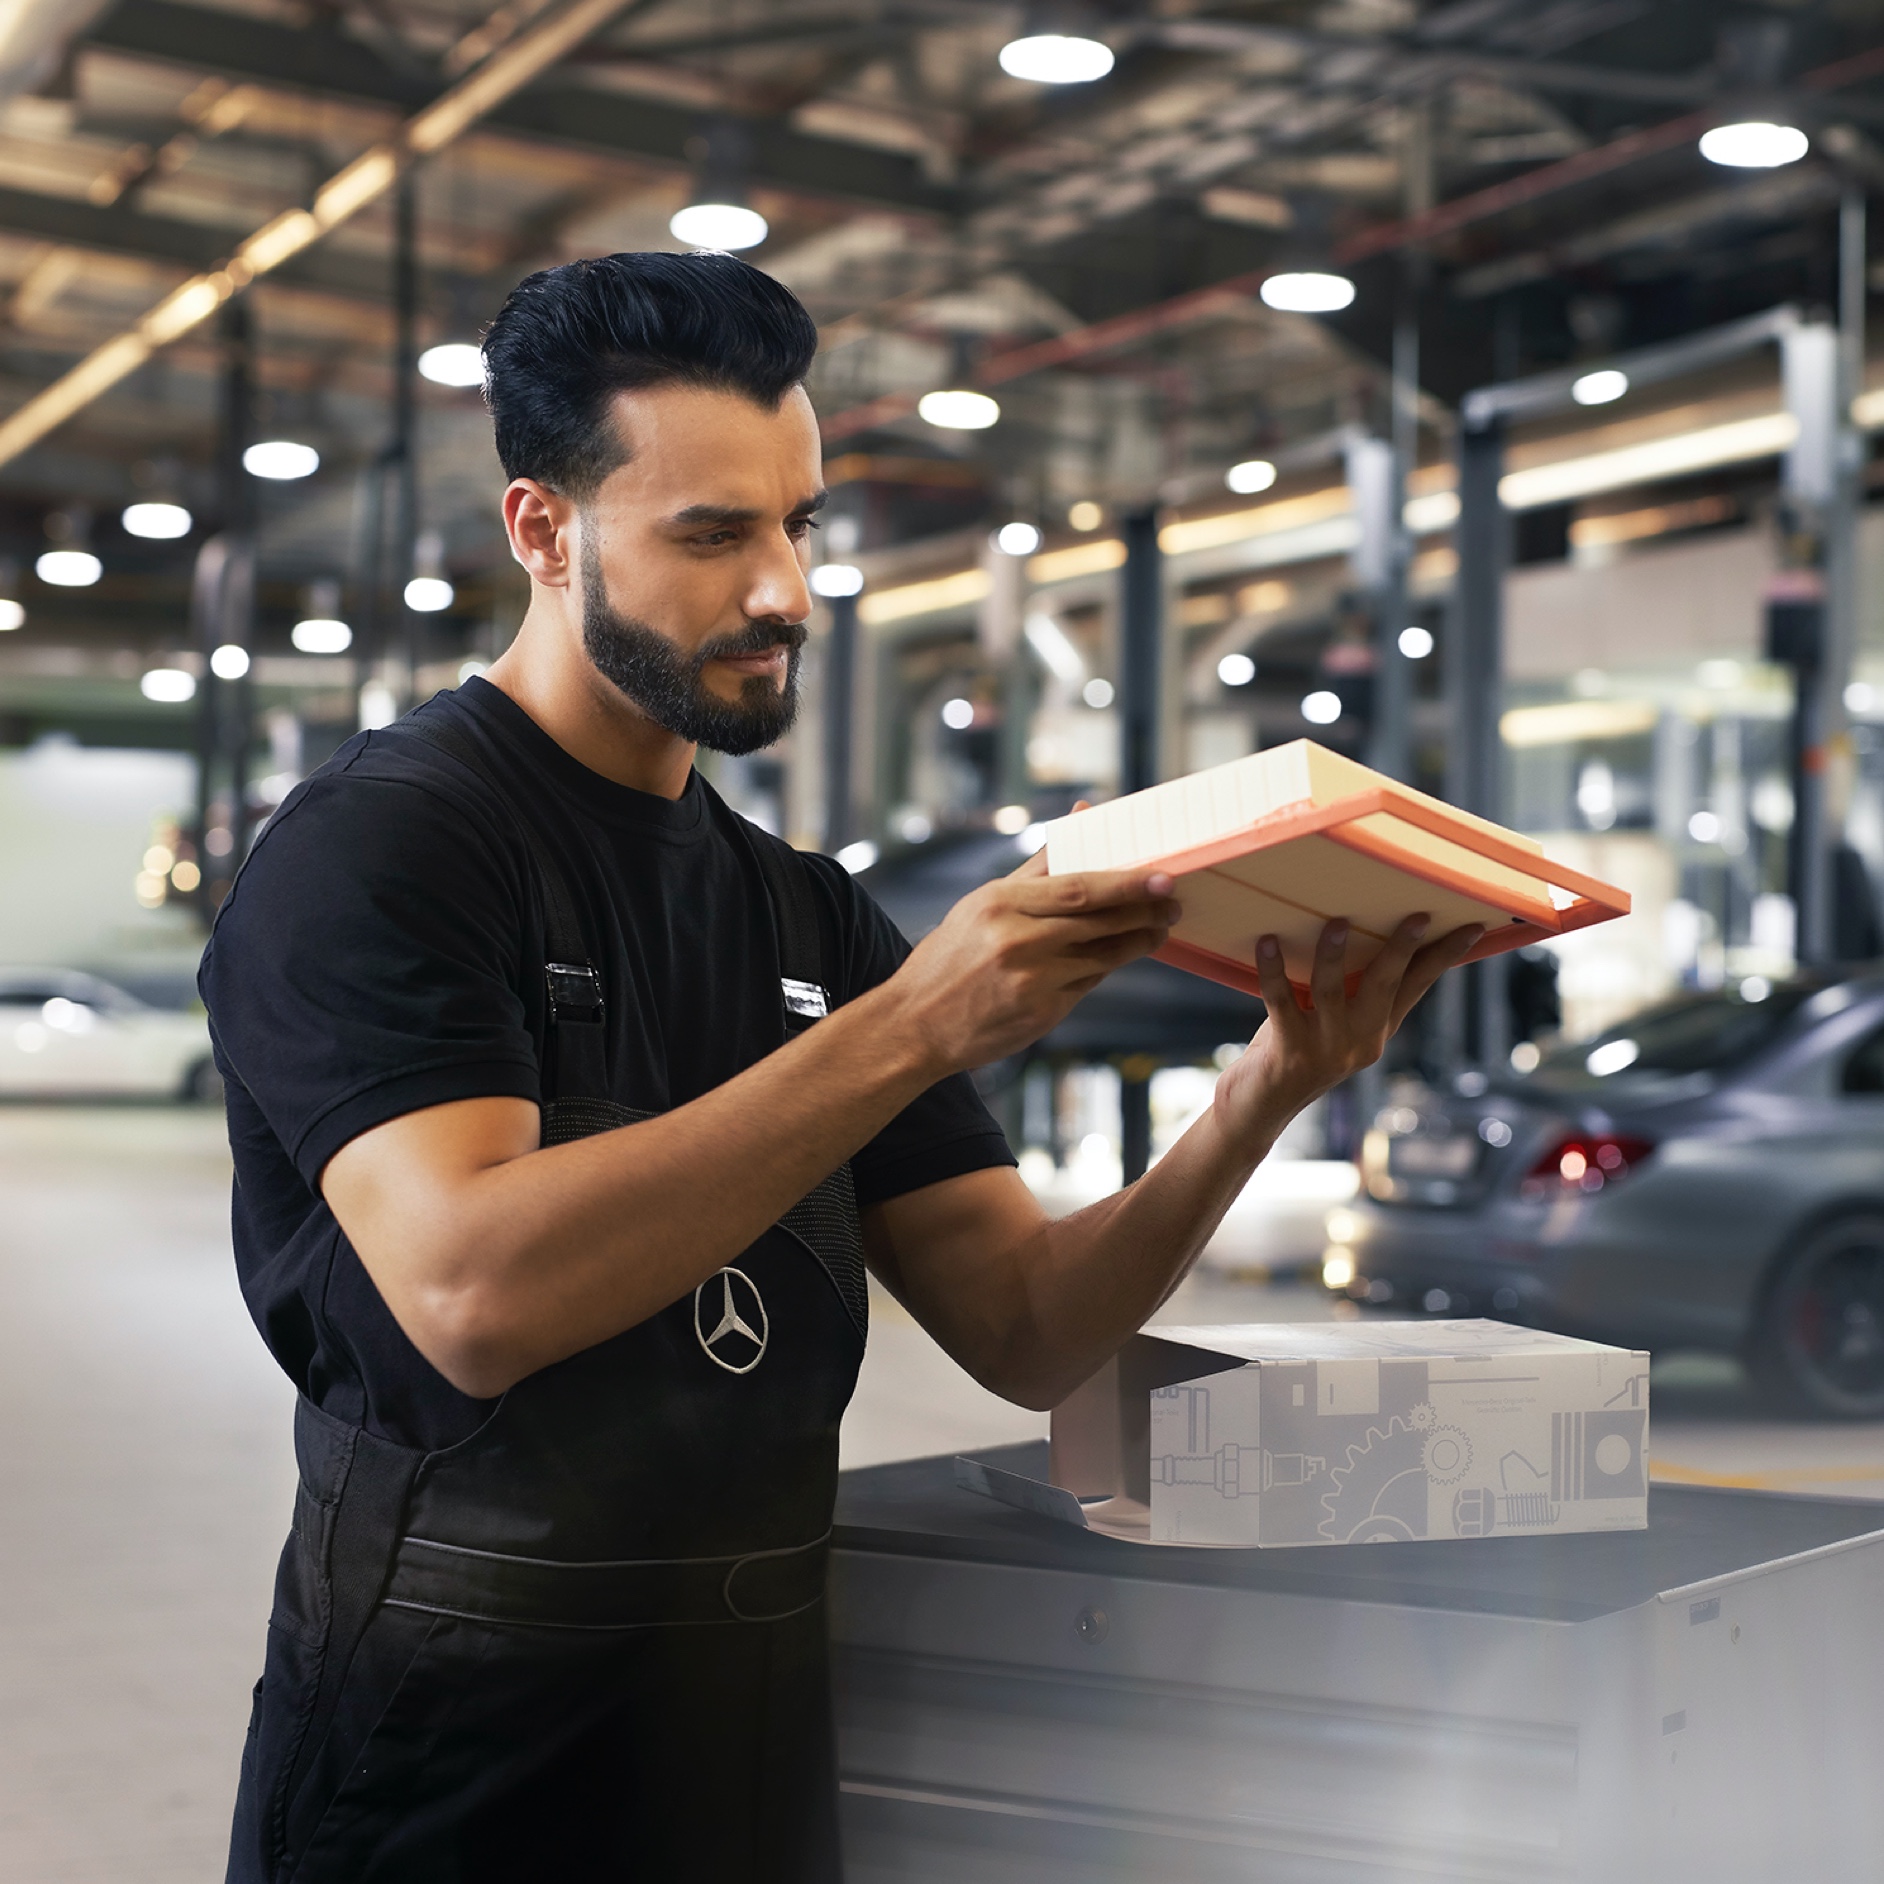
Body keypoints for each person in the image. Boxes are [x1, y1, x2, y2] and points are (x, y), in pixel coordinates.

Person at [202, 250, 1480, 1884]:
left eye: (799, 526)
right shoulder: (388, 848)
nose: (784, 594)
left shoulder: (800, 909)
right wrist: (913, 1027)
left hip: (753, 1729)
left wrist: (1269, 1087)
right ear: (542, 529)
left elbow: (1029, 1327)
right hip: (446, 1749)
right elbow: (471, 1291)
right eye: (712, 534)